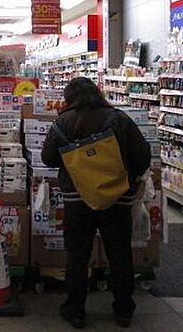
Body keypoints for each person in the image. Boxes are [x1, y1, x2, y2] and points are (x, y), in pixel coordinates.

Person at [40, 77, 151, 329]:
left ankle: (75, 310)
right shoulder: (119, 119)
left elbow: (48, 158)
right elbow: (143, 156)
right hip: (117, 198)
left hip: (78, 199)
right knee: (120, 254)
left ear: (70, 98)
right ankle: (124, 310)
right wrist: (125, 176)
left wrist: (75, 162)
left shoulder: (63, 122)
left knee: (77, 255)